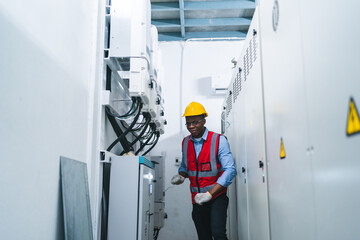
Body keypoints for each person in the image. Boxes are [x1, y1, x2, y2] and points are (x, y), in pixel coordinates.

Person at [171, 102, 237, 240]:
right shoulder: (185, 142)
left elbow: (230, 170)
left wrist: (210, 193)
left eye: (195, 122)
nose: (191, 126)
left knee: (218, 233)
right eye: (188, 123)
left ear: (204, 121)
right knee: (203, 236)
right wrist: (181, 175)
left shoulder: (219, 140)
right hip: (197, 199)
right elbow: (185, 166)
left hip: (217, 197)